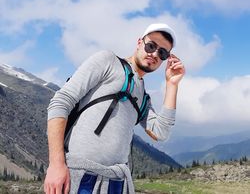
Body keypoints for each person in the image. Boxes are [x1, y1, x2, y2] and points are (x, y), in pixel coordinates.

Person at [44, 23, 185, 194]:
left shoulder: (143, 96)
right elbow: (61, 102)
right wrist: (56, 164)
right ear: (139, 42)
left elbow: (160, 132)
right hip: (78, 175)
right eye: (151, 45)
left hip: (116, 182)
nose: (154, 54)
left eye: (162, 52)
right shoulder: (107, 61)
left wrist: (172, 84)